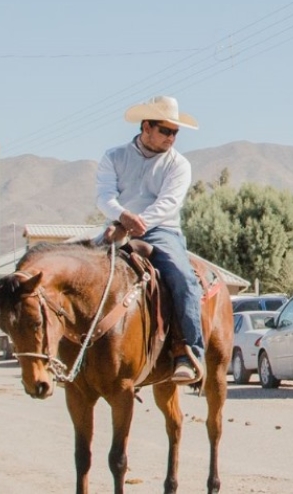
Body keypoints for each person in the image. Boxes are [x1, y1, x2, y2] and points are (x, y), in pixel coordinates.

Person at [95, 95, 205, 383]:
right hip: (118, 224)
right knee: (83, 272)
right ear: (146, 127)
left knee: (183, 278)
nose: (172, 138)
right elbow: (104, 196)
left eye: (175, 132)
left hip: (162, 230)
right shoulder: (114, 156)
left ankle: (188, 353)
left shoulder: (178, 164)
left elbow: (168, 203)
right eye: (166, 131)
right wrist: (121, 217)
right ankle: (76, 347)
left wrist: (134, 223)